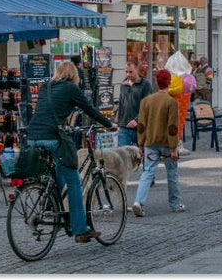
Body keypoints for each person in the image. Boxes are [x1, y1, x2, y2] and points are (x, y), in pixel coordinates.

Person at [26, 61, 117, 243]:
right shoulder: (70, 88)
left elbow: (49, 112)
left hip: (33, 136)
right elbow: (90, 109)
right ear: (74, 75)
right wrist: (109, 124)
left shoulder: (46, 87)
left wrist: (65, 126)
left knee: (60, 168)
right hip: (52, 137)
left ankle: (49, 197)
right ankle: (81, 229)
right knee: (74, 181)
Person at [132, 69, 185, 216]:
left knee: (147, 172)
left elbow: (141, 126)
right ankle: (175, 204)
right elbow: (172, 128)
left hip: (150, 143)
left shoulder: (146, 101)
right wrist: (174, 148)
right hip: (167, 144)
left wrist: (141, 145)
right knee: (172, 173)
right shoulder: (171, 101)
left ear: (156, 82)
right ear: (169, 82)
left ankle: (138, 202)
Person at [117, 61, 151, 147]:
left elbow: (148, 107)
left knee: (139, 157)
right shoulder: (123, 84)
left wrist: (137, 120)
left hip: (139, 128)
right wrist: (118, 123)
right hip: (124, 127)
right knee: (123, 156)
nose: (128, 74)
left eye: (131, 72)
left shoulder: (145, 85)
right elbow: (121, 104)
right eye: (126, 72)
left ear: (137, 70)